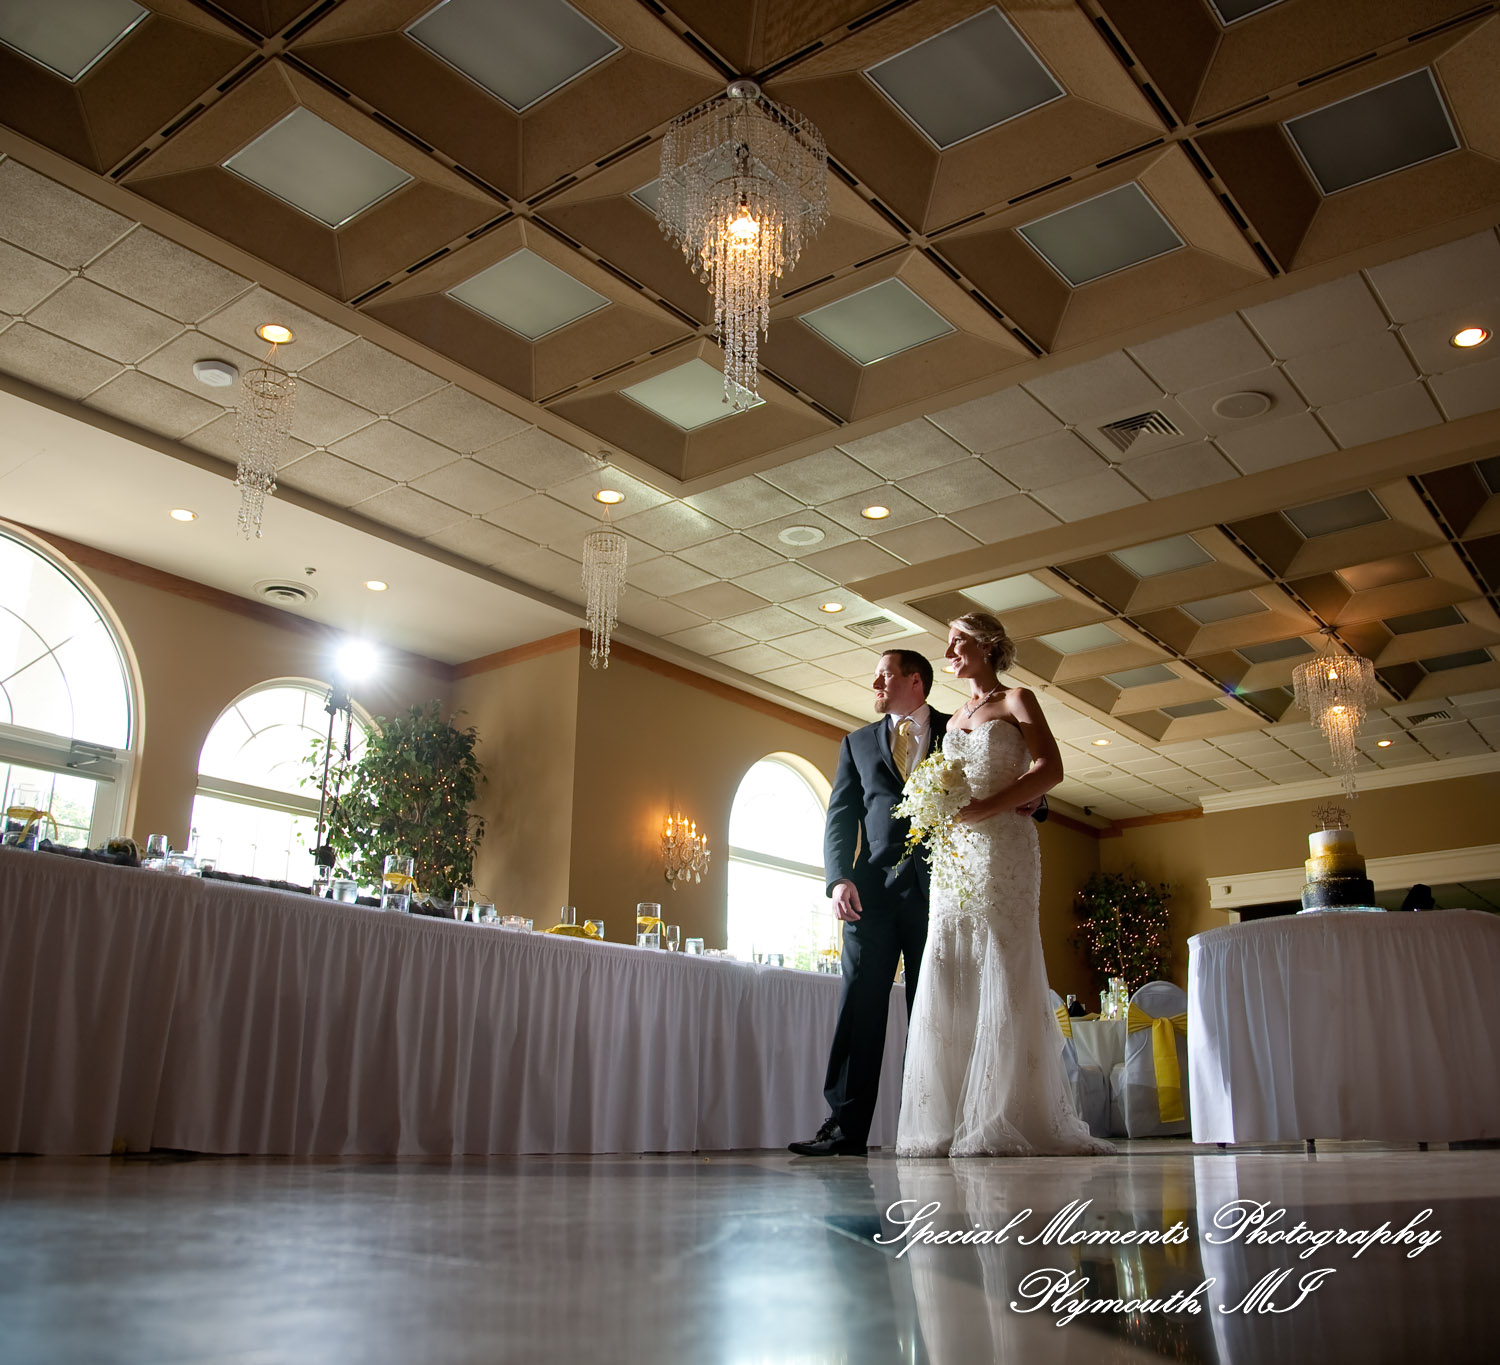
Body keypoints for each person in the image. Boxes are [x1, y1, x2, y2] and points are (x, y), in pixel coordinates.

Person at [896, 612, 1113, 1158]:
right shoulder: (953, 720)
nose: (948, 651)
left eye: (957, 642)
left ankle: (1007, 1112)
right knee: (950, 966)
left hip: (1002, 849)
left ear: (988, 646)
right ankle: (947, 1117)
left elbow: (1051, 768)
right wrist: (938, 807)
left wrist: (989, 808)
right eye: (947, 643)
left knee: (1002, 961)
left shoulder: (1018, 700)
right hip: (954, 857)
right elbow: (945, 782)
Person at [789, 649, 946, 1157]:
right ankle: (844, 1128)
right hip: (870, 896)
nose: (874, 684)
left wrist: (1036, 800)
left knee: (934, 1009)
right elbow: (840, 817)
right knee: (859, 1007)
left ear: (915, 681)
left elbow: (997, 775)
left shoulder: (958, 730)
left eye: (884, 675)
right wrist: (837, 881)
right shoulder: (856, 743)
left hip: (940, 896)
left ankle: (930, 1123)